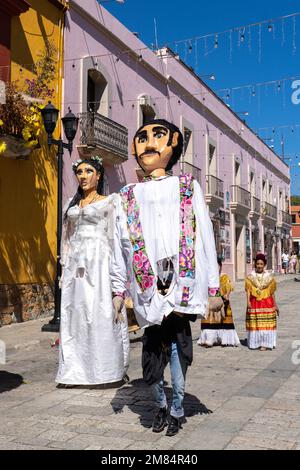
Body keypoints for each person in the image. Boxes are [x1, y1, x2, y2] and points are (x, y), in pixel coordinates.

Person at [110, 119, 222, 436]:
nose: (148, 142)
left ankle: (176, 409)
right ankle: (160, 404)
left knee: (177, 349)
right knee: (152, 351)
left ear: (173, 143)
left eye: (157, 135)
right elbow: (120, 244)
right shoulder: (128, 194)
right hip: (147, 286)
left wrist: (213, 287)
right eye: (141, 137)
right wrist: (118, 289)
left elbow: (205, 236)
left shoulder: (188, 186)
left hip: (182, 281)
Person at [56, 156, 129, 387]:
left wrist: (117, 277)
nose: (83, 176)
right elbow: (66, 238)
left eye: (89, 171)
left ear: (98, 175)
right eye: (79, 172)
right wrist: (64, 266)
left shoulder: (110, 201)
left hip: (99, 263)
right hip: (76, 266)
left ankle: (104, 370)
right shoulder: (71, 204)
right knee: (76, 314)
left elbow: (116, 237)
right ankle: (75, 372)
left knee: (99, 313)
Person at [198, 257, 240, 347]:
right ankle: (209, 339)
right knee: (210, 321)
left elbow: (228, 289)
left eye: (217, 266)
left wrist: (226, 295)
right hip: (210, 303)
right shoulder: (207, 278)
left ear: (220, 266)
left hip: (223, 303)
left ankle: (224, 339)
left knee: (224, 321)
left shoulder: (224, 277)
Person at [245, 253, 279, 351]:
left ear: (264, 265)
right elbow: (248, 291)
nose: (259, 266)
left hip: (267, 302)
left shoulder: (269, 277)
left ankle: (265, 343)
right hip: (254, 302)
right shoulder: (250, 277)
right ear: (255, 264)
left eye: (261, 264)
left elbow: (272, 292)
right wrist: (248, 302)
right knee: (256, 323)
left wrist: (275, 304)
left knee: (265, 323)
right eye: (258, 264)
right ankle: (255, 342)